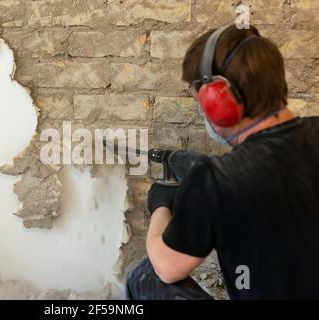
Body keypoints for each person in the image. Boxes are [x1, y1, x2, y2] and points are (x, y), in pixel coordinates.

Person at [126, 24, 319, 300]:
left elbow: (167, 268)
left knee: (144, 277)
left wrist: (160, 206)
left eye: (199, 102)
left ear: (220, 101)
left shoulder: (215, 181)